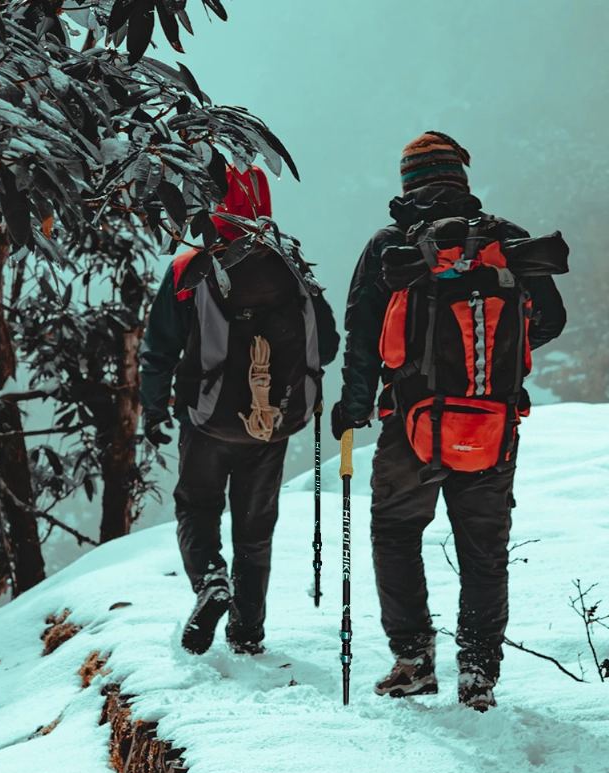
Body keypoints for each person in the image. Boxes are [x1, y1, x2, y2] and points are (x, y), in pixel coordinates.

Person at [331, 132, 566, 710]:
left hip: (411, 420)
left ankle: (412, 660)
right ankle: (478, 674)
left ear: (408, 182)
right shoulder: (506, 239)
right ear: (461, 178)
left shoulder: (391, 245)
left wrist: (355, 405)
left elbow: (361, 333)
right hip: (492, 421)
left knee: (396, 532)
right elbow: (552, 319)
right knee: (483, 547)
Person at [140, 165, 340, 656]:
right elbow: (329, 344)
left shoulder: (191, 266)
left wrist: (153, 411)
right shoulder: (289, 263)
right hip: (271, 425)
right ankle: (247, 633)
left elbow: (158, 348)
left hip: (206, 421)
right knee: (255, 527)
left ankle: (211, 582)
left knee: (197, 506)